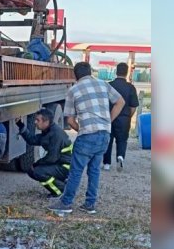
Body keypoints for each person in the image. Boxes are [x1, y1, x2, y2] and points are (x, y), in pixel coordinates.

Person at [48, 62, 125, 214]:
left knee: (76, 171)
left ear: (75, 76)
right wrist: (108, 121)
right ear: (90, 72)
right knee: (94, 170)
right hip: (105, 134)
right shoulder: (103, 84)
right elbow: (120, 102)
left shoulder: (73, 90)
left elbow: (70, 120)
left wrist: (81, 129)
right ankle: (90, 204)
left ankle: (66, 203)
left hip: (87, 135)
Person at [15, 108, 73, 197]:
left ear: (46, 122)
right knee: (32, 171)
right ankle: (61, 182)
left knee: (38, 172)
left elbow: (52, 158)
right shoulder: (48, 131)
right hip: (60, 163)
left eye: (38, 120)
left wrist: (36, 164)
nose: (35, 122)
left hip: (66, 167)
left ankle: (60, 191)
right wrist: (20, 125)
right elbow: (31, 140)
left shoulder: (56, 135)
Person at [103, 62, 140, 171]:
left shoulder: (109, 85)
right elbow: (133, 106)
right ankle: (120, 156)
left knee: (108, 140)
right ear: (127, 72)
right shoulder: (131, 87)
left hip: (110, 117)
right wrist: (128, 116)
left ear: (116, 71)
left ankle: (106, 164)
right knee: (122, 140)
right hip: (124, 118)